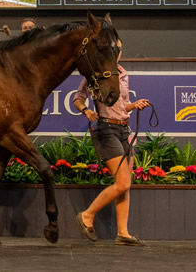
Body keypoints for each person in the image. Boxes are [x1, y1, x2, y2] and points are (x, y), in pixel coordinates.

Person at [72, 38, 150, 246]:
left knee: (125, 186)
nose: (116, 52)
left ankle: (123, 233)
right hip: (106, 130)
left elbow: (122, 106)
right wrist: (86, 110)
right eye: (113, 48)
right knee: (122, 182)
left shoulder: (123, 74)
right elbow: (78, 98)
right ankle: (87, 215)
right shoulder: (95, 73)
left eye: (119, 49)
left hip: (125, 129)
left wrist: (134, 105)